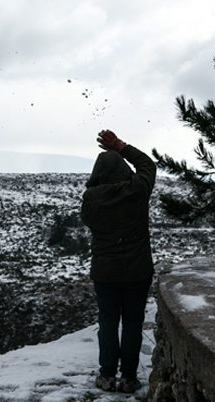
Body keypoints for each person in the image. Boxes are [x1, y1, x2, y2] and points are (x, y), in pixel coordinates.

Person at [81, 129, 156, 393]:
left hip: (106, 273)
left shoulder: (91, 200)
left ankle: (107, 375)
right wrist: (122, 147)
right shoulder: (137, 190)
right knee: (133, 323)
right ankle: (128, 378)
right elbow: (147, 164)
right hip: (137, 272)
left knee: (108, 323)